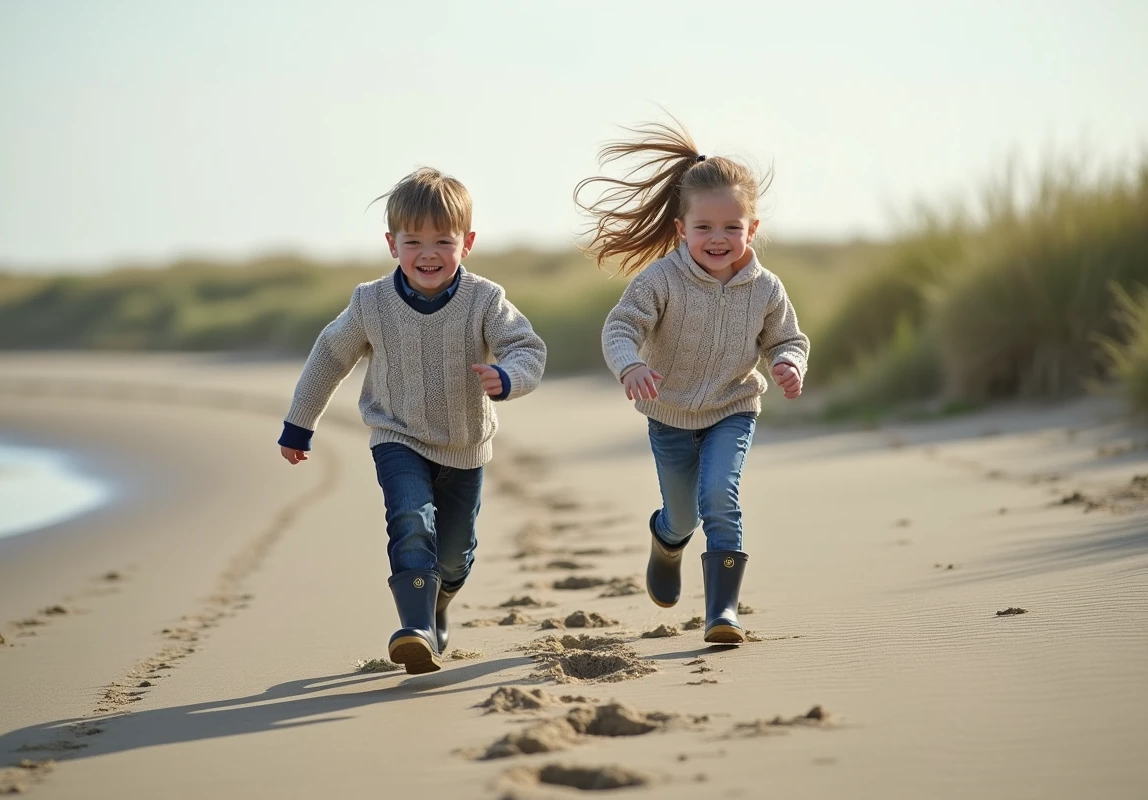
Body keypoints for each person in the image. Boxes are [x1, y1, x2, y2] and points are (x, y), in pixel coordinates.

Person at [278, 167, 547, 673]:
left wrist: (509, 376)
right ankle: (417, 627)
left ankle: (438, 601)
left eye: (443, 240)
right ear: (392, 244)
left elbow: (526, 347)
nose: (428, 253)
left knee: (455, 555)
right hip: (396, 436)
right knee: (409, 520)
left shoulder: (485, 299)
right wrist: (299, 423)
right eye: (413, 241)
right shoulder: (371, 302)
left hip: (464, 445)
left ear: (467, 243)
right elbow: (330, 355)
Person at [576, 118, 809, 644]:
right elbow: (620, 327)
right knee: (683, 516)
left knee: (720, 497)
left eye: (731, 227)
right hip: (670, 415)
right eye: (704, 227)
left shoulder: (766, 289)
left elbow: (788, 339)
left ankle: (722, 612)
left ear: (752, 228)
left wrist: (789, 364)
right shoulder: (661, 280)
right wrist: (631, 365)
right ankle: (666, 540)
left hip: (733, 408)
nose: (718, 239)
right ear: (682, 229)